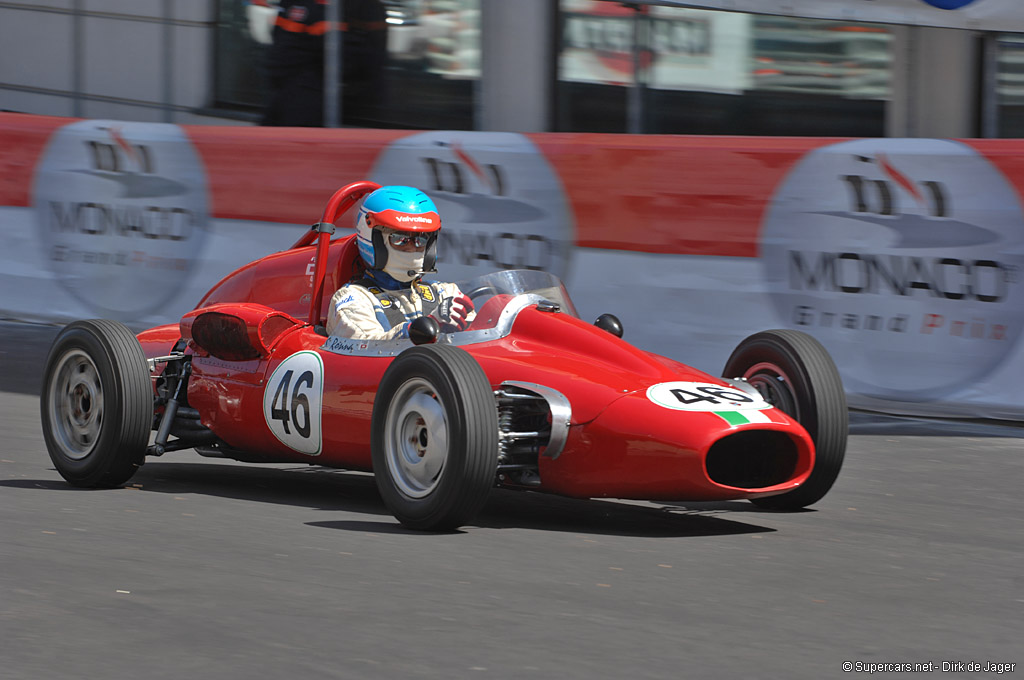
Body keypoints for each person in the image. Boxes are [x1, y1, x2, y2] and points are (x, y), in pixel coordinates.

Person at [327, 185, 475, 340]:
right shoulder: (353, 297)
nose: (412, 248)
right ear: (374, 240)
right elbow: (367, 347)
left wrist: (492, 313)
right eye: (400, 239)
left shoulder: (444, 292)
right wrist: (428, 325)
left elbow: (480, 340)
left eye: (421, 239)